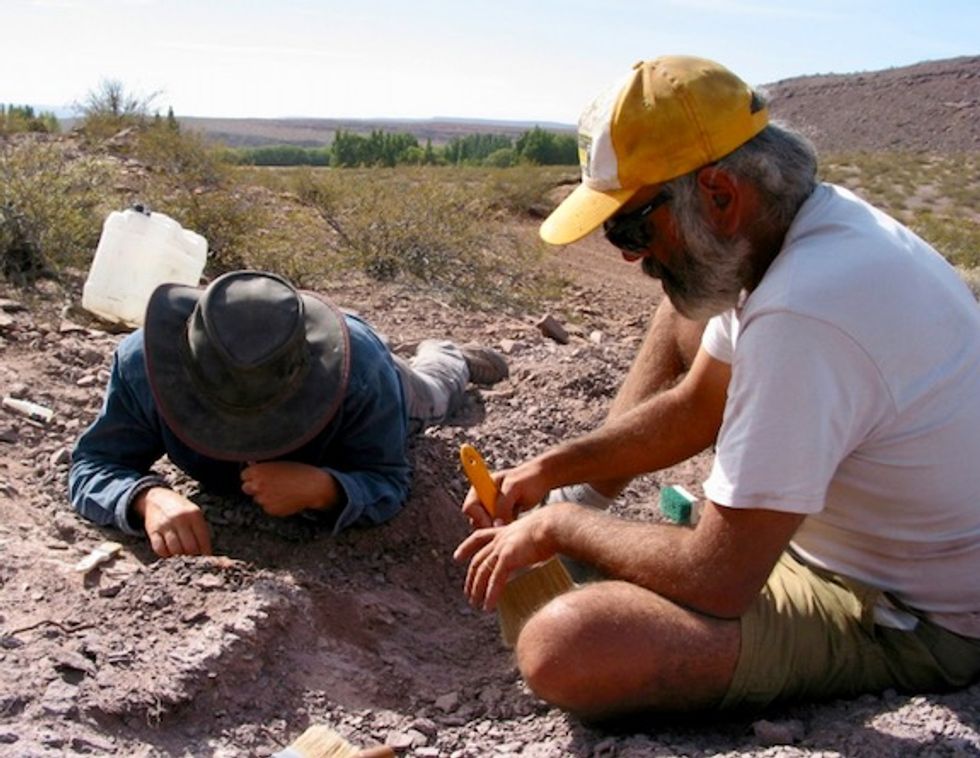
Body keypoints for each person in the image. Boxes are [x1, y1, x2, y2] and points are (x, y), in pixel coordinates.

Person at [454, 55, 980, 719]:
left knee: (568, 645)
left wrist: (562, 526)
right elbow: (695, 407)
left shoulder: (804, 312)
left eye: (632, 226)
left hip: (910, 613)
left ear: (722, 194)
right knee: (682, 305)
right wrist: (549, 472)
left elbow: (720, 578)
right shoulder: (800, 229)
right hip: (822, 549)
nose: (628, 254)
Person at [70, 269, 508, 559]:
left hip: (362, 358)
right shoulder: (143, 365)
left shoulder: (361, 374)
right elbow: (93, 463)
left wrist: (326, 488)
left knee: (434, 392)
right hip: (312, 341)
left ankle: (449, 354)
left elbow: (387, 478)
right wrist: (147, 497)